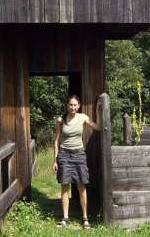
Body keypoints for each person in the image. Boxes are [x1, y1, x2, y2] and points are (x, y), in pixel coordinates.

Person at [53, 94, 102, 229]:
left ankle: (85, 218)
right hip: (64, 155)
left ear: (79, 106)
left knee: (81, 186)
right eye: (70, 104)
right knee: (64, 186)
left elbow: (97, 127)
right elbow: (56, 140)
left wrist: (98, 111)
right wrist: (55, 160)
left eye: (75, 105)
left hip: (79, 155)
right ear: (67, 105)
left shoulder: (83, 118)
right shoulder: (60, 120)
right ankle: (65, 218)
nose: (73, 107)